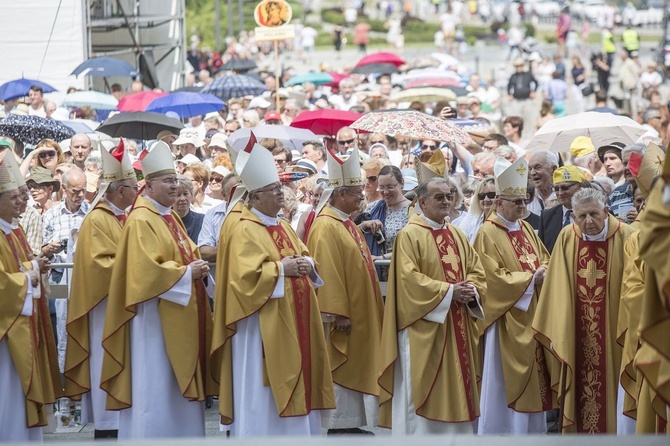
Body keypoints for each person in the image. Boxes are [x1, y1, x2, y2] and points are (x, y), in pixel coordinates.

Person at [210, 140, 335, 437]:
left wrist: (307, 264)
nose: (282, 192)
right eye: (274, 189)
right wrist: (282, 269)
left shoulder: (282, 224)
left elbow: (303, 255)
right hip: (260, 326)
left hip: (294, 318)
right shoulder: (243, 227)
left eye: (280, 187)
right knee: (261, 388)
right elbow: (243, 279)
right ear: (256, 196)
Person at [100, 141, 214, 438]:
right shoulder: (141, 219)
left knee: (174, 388)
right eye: (168, 181)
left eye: (176, 179)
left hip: (178, 313)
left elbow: (188, 252)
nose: (175, 186)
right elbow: (144, 271)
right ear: (147, 186)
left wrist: (196, 267)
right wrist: (188, 272)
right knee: (156, 384)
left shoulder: (169, 216)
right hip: (153, 320)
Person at [378, 177, 487, 434]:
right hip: (423, 327)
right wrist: (450, 291)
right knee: (423, 389)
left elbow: (476, 270)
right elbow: (408, 280)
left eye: (449, 195)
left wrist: (471, 289)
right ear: (422, 202)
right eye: (439, 197)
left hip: (456, 323)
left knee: (457, 385)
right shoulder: (410, 234)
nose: (446, 201)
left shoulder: (457, 234)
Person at [534, 188, 635, 433]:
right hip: (577, 332)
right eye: (581, 216)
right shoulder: (568, 237)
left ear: (607, 211)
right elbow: (555, 288)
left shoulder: (628, 236)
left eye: (594, 214)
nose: (588, 222)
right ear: (572, 216)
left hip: (616, 333)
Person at [473, 157, 554, 434]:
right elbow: (491, 279)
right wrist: (532, 279)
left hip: (532, 315)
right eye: (516, 202)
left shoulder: (527, 228)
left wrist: (542, 271)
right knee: (502, 382)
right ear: (499, 203)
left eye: (524, 201)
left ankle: (532, 434)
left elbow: (545, 259)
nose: (522, 206)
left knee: (535, 379)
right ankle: (502, 434)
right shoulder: (487, 233)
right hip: (506, 320)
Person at [307, 146, 384, 435]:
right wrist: (337, 312)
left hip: (359, 311)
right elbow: (328, 271)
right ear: (340, 195)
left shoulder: (346, 223)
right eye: (356, 192)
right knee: (341, 364)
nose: (362, 195)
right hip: (343, 315)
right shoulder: (326, 226)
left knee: (357, 364)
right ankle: (339, 424)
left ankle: (351, 422)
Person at [64, 141, 137, 439]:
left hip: (126, 304)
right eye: (133, 187)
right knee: (106, 358)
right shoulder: (97, 220)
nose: (138, 191)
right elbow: (100, 265)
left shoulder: (125, 216)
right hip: (105, 307)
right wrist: (138, 269)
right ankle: (109, 425)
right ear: (119, 192)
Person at [0, 162, 62, 441]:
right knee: (8, 390)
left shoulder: (14, 230)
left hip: (23, 321)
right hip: (7, 330)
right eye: (14, 197)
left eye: (23, 195)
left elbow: (20, 267)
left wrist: (35, 267)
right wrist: (30, 273)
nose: (22, 201)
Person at [538, 166, 586, 253]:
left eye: (565, 188)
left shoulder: (595, 213)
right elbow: (542, 251)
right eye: (556, 189)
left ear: (579, 186)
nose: (560, 193)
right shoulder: (547, 217)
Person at [197, 173, 238, 262]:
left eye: (243, 191)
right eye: (235, 192)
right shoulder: (212, 214)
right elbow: (204, 252)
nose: (240, 196)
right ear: (224, 195)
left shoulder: (255, 212)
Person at [607, 142, 642, 221]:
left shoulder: (657, 191)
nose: (627, 168)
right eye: (625, 163)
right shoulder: (615, 195)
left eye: (632, 162)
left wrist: (642, 220)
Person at [456, 176, 495, 242]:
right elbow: (459, 242)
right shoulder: (471, 219)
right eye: (482, 196)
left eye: (491, 195)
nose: (486, 199)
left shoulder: (505, 220)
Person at [173, 175, 205, 243]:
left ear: (191, 196)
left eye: (185, 194)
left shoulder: (202, 220)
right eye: (178, 195)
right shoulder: (165, 221)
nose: (182, 199)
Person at [527, 151, 559, 216]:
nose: (532, 173)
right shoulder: (528, 198)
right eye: (530, 169)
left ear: (553, 169)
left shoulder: (563, 195)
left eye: (538, 167)